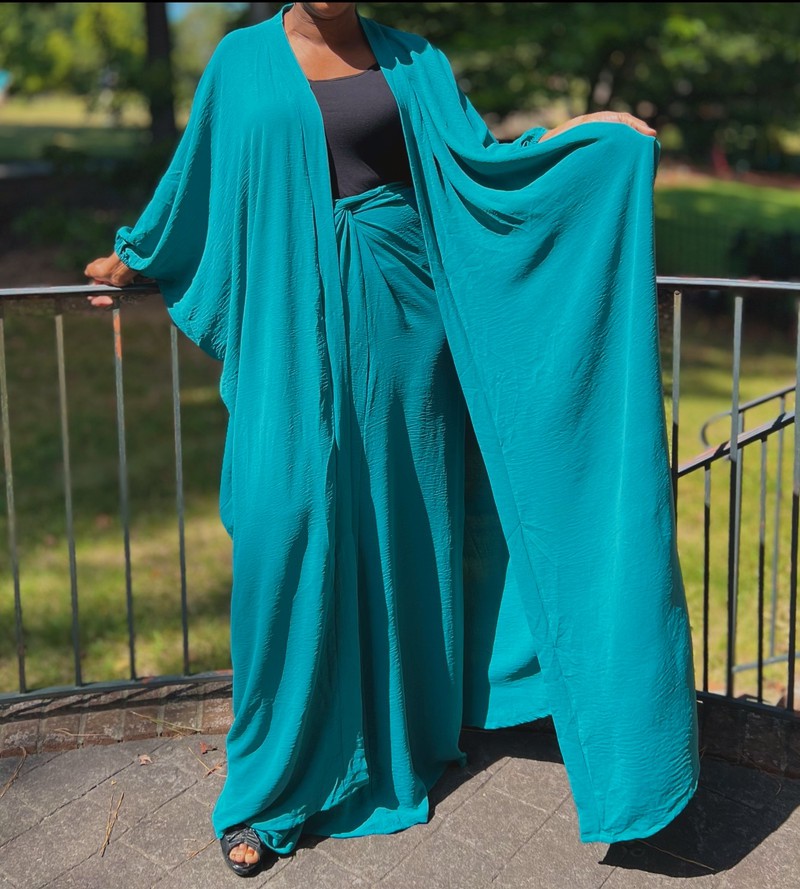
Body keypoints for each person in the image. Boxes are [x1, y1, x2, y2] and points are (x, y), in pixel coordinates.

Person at [85, 2, 700, 879]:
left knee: (406, 532)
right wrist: (133, 257)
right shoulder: (240, 62)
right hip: (291, 333)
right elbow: (198, 181)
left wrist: (582, 134)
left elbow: (477, 170)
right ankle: (266, 786)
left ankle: (405, 737)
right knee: (284, 530)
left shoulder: (414, 62)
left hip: (407, 327)